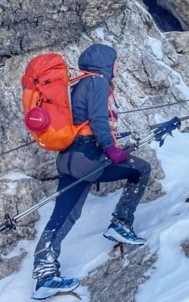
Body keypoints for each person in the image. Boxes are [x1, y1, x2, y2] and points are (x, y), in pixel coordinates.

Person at [31, 44, 151, 300]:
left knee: (63, 215)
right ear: (104, 64)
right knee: (140, 169)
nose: (118, 66)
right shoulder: (96, 82)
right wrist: (112, 150)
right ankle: (121, 223)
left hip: (68, 158)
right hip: (88, 157)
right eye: (115, 62)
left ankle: (44, 275)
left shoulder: (77, 84)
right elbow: (97, 121)